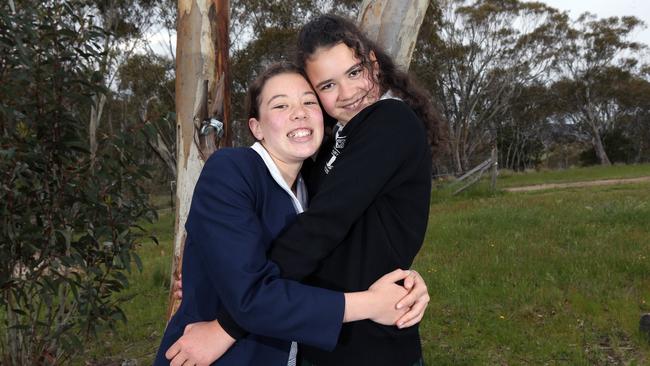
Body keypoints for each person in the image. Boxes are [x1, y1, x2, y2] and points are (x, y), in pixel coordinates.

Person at [172, 13, 442, 366]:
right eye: (327, 86)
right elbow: (284, 232)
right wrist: (211, 276)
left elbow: (322, 226)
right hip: (311, 342)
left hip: (372, 345)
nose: (347, 94)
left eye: (354, 72)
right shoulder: (326, 148)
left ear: (373, 64)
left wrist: (228, 326)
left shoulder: (391, 122)